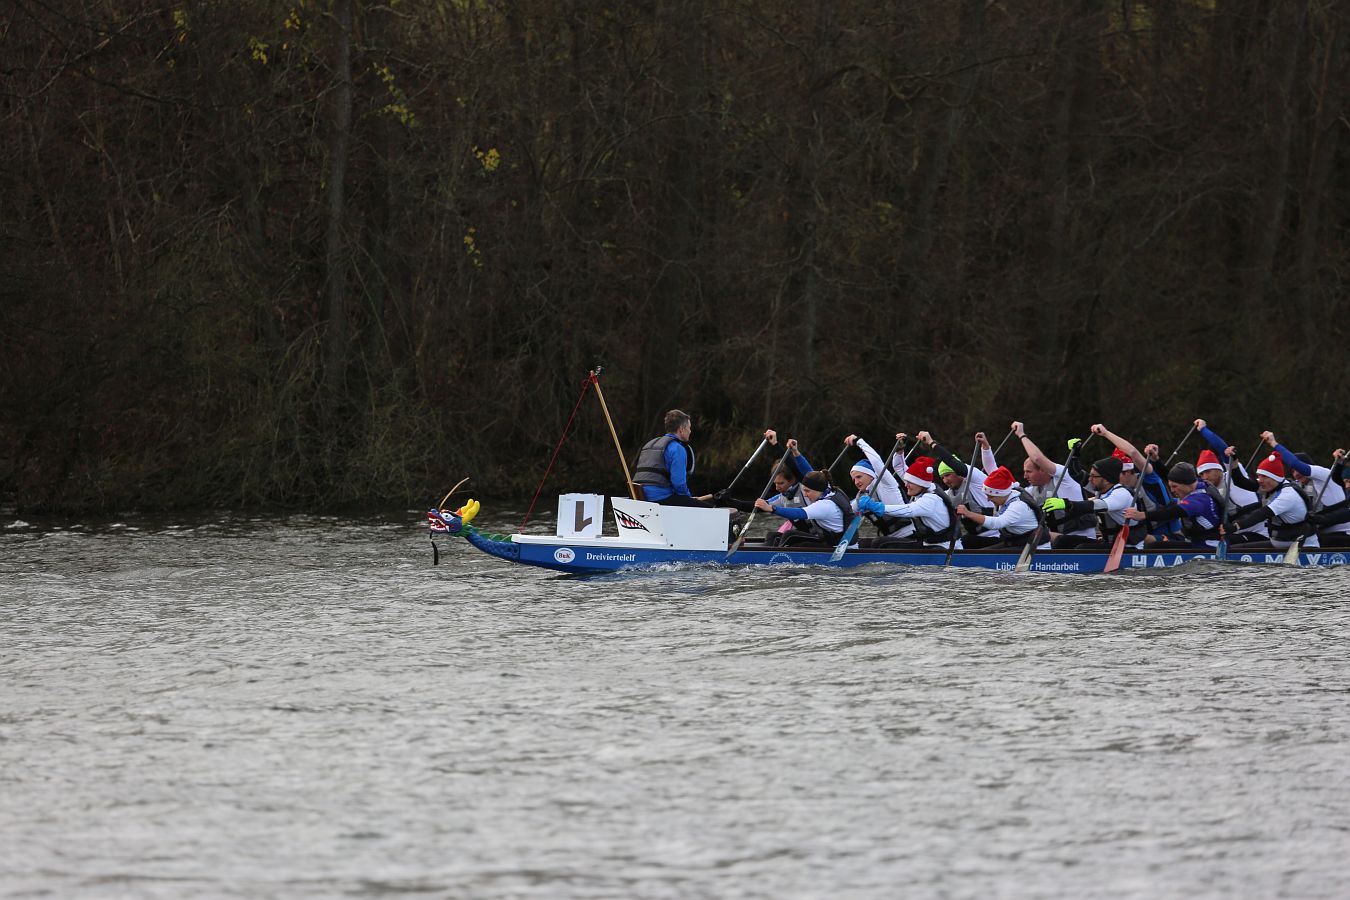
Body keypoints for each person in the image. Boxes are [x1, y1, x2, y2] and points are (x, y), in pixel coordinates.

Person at [1091, 424, 1183, 543]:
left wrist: (1105, 433)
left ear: (1128, 472)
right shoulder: (1119, 489)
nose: (1112, 479)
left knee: (1134, 537)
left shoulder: (1150, 479)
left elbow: (1133, 452)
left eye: (1116, 475)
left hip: (1169, 538)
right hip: (1142, 537)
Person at [1010, 422, 1097, 542]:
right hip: (1060, 541)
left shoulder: (1064, 477)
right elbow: (1005, 486)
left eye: (1029, 471)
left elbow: (1037, 458)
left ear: (1042, 469)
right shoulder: (1032, 490)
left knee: (1035, 535)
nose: (1025, 476)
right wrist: (986, 448)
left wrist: (1021, 434)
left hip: (1081, 540)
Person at [1261, 431, 1350, 548]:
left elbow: (1296, 464)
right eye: (1293, 471)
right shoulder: (1298, 486)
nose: (1296, 474)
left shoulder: (1324, 475)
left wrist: (1273, 443)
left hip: (1342, 536)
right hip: (1319, 536)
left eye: (1298, 469)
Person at [856, 456, 961, 549]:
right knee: (864, 543)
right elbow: (900, 468)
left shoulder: (930, 500)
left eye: (909, 482)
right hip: (929, 544)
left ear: (920, 483)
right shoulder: (925, 487)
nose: (906, 485)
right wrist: (899, 453)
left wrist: (878, 507)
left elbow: (907, 510)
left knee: (880, 543)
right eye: (906, 481)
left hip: (944, 547)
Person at [1193, 419, 1268, 544]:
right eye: (1201, 474)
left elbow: (1224, 449)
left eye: (1207, 471)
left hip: (1260, 532)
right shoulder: (1208, 489)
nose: (1204, 477)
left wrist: (1203, 429)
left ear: (1218, 469)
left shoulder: (1232, 476)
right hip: (1237, 532)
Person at [1041, 455, 1137, 549]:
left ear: (1106, 480)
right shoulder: (1102, 489)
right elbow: (1076, 474)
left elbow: (1096, 505)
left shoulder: (1121, 494)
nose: (1090, 479)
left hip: (1129, 546)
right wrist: (1075, 455)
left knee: (1082, 548)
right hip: (1110, 543)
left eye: (1093, 476)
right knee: (1062, 540)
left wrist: (1066, 503)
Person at [1122, 462, 1221, 548]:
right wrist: (1155, 460)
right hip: (1196, 541)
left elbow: (1173, 512)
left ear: (1186, 484)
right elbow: (1168, 475)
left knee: (1154, 546)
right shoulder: (1199, 484)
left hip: (1208, 546)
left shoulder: (1200, 499)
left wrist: (1143, 515)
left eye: (1174, 486)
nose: (1172, 490)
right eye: (1171, 487)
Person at [1227, 453, 1313, 549]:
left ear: (1275, 477)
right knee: (1232, 549)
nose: (1260, 480)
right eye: (1259, 476)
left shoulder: (1288, 495)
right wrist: (1234, 462)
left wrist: (1236, 526)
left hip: (1301, 546)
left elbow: (1262, 514)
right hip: (1280, 545)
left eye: (1264, 476)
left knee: (1234, 551)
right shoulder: (1272, 485)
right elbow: (1241, 482)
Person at [633, 409, 712, 507]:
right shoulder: (677, 448)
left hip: (640, 496)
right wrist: (688, 497)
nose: (690, 431)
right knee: (711, 509)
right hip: (660, 498)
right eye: (689, 428)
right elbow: (679, 483)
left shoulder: (649, 444)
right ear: (681, 429)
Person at [753, 470, 855, 547]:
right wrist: (794, 452)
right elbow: (805, 472)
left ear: (817, 489)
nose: (805, 495)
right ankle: (767, 554)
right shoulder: (832, 490)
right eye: (804, 491)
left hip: (837, 545)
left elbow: (799, 513)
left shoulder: (825, 505)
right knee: (773, 535)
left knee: (790, 536)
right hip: (829, 539)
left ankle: (773, 557)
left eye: (807, 491)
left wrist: (772, 508)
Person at [842, 433, 913, 541]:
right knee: (862, 543)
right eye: (854, 480)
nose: (856, 482)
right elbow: (846, 512)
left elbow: (876, 461)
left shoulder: (886, 483)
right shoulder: (861, 498)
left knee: (876, 543)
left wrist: (858, 441)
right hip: (891, 538)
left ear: (871, 475)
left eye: (859, 477)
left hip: (910, 535)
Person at [955, 466, 1042, 549]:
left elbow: (997, 523)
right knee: (967, 541)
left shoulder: (1018, 506)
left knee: (981, 555)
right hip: (1016, 542)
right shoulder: (1006, 498)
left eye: (991, 496)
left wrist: (968, 513)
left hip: (1032, 546)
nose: (988, 499)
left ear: (1001, 493)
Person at [915, 430, 994, 522]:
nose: (945, 481)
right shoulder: (948, 494)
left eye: (948, 475)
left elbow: (954, 463)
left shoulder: (975, 479)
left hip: (991, 529)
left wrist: (931, 443)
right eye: (942, 478)